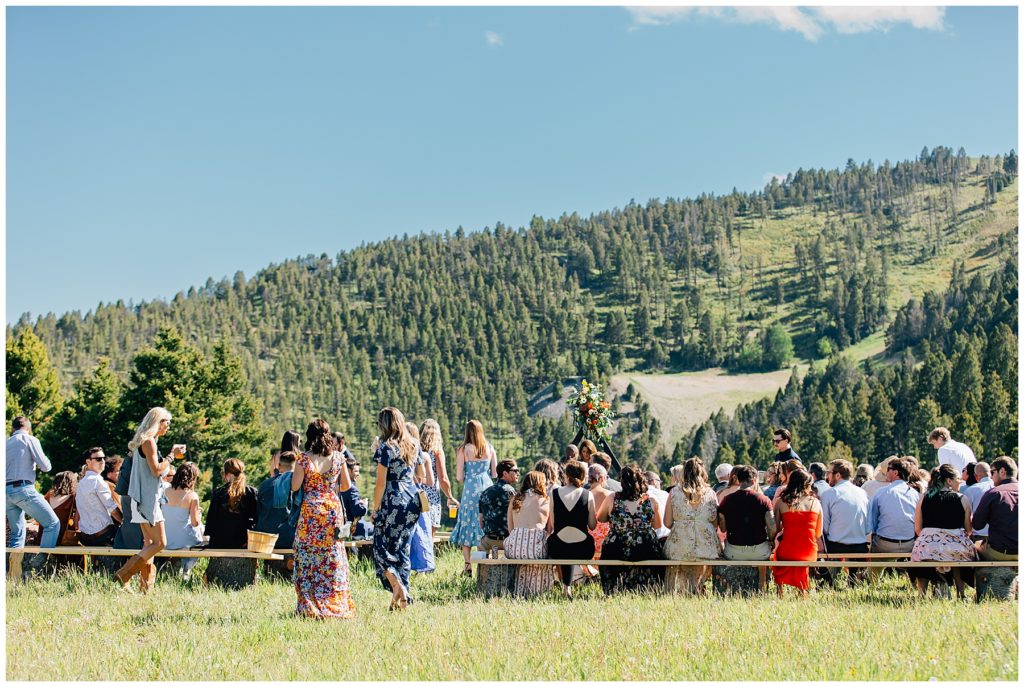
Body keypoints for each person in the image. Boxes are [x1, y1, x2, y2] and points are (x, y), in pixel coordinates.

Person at [115, 407, 185, 594]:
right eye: (166, 422)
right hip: (147, 500)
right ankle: (124, 574)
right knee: (160, 543)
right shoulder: (149, 443)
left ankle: (146, 588)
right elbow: (156, 470)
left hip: (140, 498)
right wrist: (172, 455)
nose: (168, 426)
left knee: (149, 543)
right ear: (158, 422)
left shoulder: (144, 441)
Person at [291, 418, 355, 618]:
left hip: (311, 510)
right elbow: (346, 486)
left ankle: (310, 602)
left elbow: (294, 486)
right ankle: (333, 600)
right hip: (331, 510)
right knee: (332, 556)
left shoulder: (303, 459)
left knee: (307, 554)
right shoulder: (338, 458)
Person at [371, 408, 423, 610]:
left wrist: (375, 509)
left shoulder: (386, 448)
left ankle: (398, 585)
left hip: (392, 499)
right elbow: (421, 475)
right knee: (403, 548)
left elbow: (380, 483)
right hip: (411, 501)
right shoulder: (414, 445)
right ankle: (400, 601)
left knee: (381, 548)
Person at [909, 464, 976, 598]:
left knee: (923, 555)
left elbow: (918, 529)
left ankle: (921, 594)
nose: (960, 481)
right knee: (957, 558)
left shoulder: (924, 497)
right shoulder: (962, 499)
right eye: (958, 478)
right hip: (956, 547)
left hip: (929, 546)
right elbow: (969, 530)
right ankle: (961, 593)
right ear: (949, 481)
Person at [597, 464, 664, 595]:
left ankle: (615, 591)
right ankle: (646, 591)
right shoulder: (650, 501)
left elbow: (601, 518)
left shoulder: (613, 498)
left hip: (617, 546)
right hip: (645, 546)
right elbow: (657, 525)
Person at [6, 416, 60, 573]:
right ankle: (40, 565)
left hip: (6, 492)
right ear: (28, 428)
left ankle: (12, 574)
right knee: (52, 524)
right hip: (23, 489)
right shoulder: (29, 439)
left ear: (13, 428)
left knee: (17, 534)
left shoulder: (5, 443)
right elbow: (46, 467)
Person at [663, 458, 720, 594]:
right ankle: (699, 592)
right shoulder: (710, 493)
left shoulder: (674, 493)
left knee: (679, 577)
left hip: (680, 545)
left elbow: (667, 523)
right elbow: (715, 521)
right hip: (706, 546)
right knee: (699, 578)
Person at [449, 419, 498, 575]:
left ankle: (468, 564)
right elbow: (495, 473)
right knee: (484, 523)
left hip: (471, 488)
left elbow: (458, 476)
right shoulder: (490, 448)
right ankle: (484, 562)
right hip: (487, 485)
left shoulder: (464, 449)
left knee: (468, 522)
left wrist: (469, 479)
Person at [718, 464, 775, 591]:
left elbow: (722, 528)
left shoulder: (727, 500)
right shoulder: (764, 500)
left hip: (733, 551)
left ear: (737, 480)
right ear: (754, 480)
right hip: (759, 551)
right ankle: (761, 589)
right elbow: (772, 527)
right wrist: (770, 540)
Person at [204, 458, 259, 589]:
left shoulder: (218, 493)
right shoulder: (251, 492)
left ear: (226, 473)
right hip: (242, 543)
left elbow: (211, 522)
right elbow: (257, 519)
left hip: (220, 543)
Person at [547, 460, 597, 598]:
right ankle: (571, 584)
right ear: (583, 476)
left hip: (558, 548)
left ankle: (566, 586)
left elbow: (554, 523)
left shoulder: (554, 493)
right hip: (582, 549)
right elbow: (593, 525)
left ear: (566, 476)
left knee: (561, 542)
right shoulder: (588, 495)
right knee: (579, 542)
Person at [503, 470, 555, 597]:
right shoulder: (546, 501)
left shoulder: (515, 499)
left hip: (514, 546)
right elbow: (550, 529)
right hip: (535, 547)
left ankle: (519, 591)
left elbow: (510, 528)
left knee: (523, 558)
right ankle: (539, 591)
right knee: (540, 554)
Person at [772, 468, 822, 597]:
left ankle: (780, 592)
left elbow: (776, 529)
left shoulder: (781, 502)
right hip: (808, 550)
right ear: (807, 484)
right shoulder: (815, 503)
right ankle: (802, 591)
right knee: (801, 558)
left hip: (788, 549)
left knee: (779, 554)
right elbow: (818, 533)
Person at [819, 459, 870, 585]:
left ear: (837, 475)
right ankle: (851, 578)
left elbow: (824, 526)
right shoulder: (863, 493)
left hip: (836, 545)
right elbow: (868, 526)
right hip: (860, 545)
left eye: (829, 472)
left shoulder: (829, 494)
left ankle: (828, 579)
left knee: (821, 539)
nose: (827, 476)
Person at [867, 457, 920, 567]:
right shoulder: (915, 494)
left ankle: (873, 581)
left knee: (874, 569)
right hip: (909, 543)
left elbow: (873, 522)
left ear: (895, 472)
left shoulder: (881, 492)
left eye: (888, 469)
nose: (886, 472)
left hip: (885, 543)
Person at [161, 461, 203, 578]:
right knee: (201, 540)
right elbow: (195, 523)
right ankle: (187, 568)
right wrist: (198, 513)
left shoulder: (165, 491)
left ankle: (178, 567)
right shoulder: (192, 496)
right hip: (183, 540)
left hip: (166, 538)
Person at [972, 457, 1017, 562]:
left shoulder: (994, 493)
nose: (991, 477)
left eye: (992, 473)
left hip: (999, 552)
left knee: (976, 546)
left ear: (1002, 471)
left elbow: (977, 525)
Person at [76, 447, 122, 546]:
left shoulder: (81, 482)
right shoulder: (97, 480)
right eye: (98, 459)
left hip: (86, 537)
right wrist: (124, 522)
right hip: (103, 535)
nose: (102, 461)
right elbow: (112, 509)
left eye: (103, 458)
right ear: (88, 461)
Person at [406, 422, 435, 575]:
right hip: (418, 494)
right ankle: (422, 568)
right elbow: (429, 481)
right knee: (422, 532)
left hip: (405, 493)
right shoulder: (423, 455)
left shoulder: (401, 452)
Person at [420, 419, 457, 535]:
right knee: (429, 534)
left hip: (415, 494)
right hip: (431, 498)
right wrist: (450, 496)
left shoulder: (414, 449)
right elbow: (443, 478)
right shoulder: (437, 451)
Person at [478, 460, 519, 556]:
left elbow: (481, 522)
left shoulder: (485, 493)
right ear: (505, 473)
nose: (518, 473)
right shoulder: (511, 492)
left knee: (481, 546)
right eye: (515, 470)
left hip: (489, 540)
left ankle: (482, 570)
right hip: (508, 540)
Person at [586, 463, 614, 577]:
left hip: (588, 540)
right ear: (602, 478)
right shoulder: (610, 495)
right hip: (604, 541)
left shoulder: (585, 494)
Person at [40, 471, 79, 548]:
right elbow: (76, 520)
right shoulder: (73, 498)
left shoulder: (48, 495)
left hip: (43, 536)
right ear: (72, 483)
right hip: (62, 538)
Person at [963, 462, 994, 540]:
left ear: (976, 476)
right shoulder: (1000, 486)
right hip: (1000, 536)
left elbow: (966, 516)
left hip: (978, 536)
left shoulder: (971, 490)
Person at [339, 457, 368, 538]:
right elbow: (357, 511)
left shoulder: (336, 485)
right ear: (347, 471)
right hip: (350, 529)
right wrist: (364, 505)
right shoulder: (351, 489)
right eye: (355, 471)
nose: (358, 474)